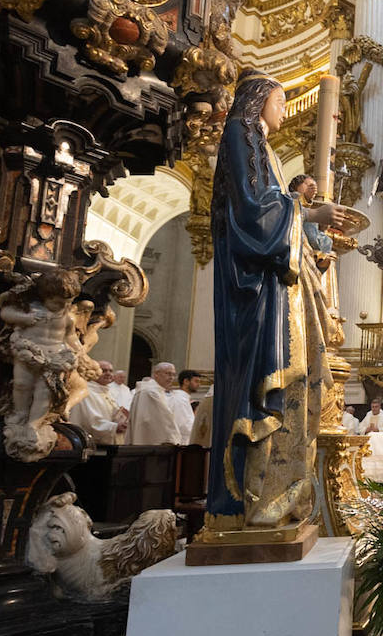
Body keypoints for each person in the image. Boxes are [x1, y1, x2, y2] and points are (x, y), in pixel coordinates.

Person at [204, 70, 340, 532]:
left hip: (270, 285)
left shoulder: (258, 144)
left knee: (288, 377)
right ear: (260, 100)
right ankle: (252, 501)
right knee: (267, 384)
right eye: (281, 102)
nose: (284, 111)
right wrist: (306, 213)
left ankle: (274, 499)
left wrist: (303, 222)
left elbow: (268, 205)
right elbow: (252, 213)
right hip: (255, 289)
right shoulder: (240, 134)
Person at [126, 362, 188, 445]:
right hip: (153, 443)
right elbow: (164, 422)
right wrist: (174, 439)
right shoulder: (152, 393)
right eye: (168, 374)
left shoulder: (148, 390)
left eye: (173, 375)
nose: (171, 378)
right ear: (156, 374)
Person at [69, 359, 128, 445]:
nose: (108, 373)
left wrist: (123, 419)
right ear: (92, 373)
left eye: (110, 371)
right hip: (92, 445)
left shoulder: (107, 392)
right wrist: (115, 427)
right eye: (103, 370)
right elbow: (91, 422)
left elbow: (113, 414)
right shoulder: (86, 392)